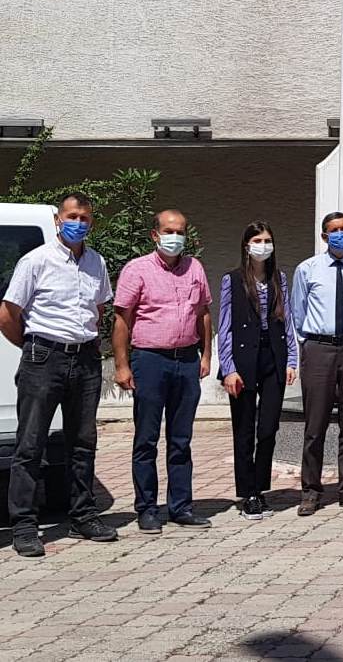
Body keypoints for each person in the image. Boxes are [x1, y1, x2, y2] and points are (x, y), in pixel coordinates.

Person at [0, 193, 118, 557]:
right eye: (71, 216)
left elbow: (98, 309)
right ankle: (24, 525)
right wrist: (34, 347)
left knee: (82, 442)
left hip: (85, 359)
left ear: (91, 223)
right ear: (57, 220)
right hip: (43, 358)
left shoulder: (97, 262)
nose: (77, 223)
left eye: (84, 218)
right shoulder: (36, 260)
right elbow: (8, 314)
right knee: (30, 444)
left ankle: (83, 515)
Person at [111, 209, 214, 533]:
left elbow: (204, 313)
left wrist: (206, 355)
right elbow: (122, 319)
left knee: (181, 439)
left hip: (186, 360)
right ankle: (147, 509)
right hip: (150, 360)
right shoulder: (137, 269)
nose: (175, 237)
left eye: (180, 231)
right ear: (155, 235)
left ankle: (181, 507)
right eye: (169, 231)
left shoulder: (195, 268)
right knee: (147, 438)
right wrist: (122, 365)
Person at [290, 211, 343, 515]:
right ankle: (311, 491)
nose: (340, 234)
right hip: (319, 349)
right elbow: (298, 311)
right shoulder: (307, 269)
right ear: (324, 236)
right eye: (333, 230)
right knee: (315, 425)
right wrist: (307, 345)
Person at [218, 222, 298, 520]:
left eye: (267, 240)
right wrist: (228, 368)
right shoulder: (232, 280)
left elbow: (287, 320)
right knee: (244, 429)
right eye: (257, 240)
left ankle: (261, 487)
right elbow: (224, 326)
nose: (262, 245)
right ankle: (248, 493)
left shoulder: (280, 278)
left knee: (268, 429)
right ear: (246, 245)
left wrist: (291, 359)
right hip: (243, 360)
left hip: (273, 357)